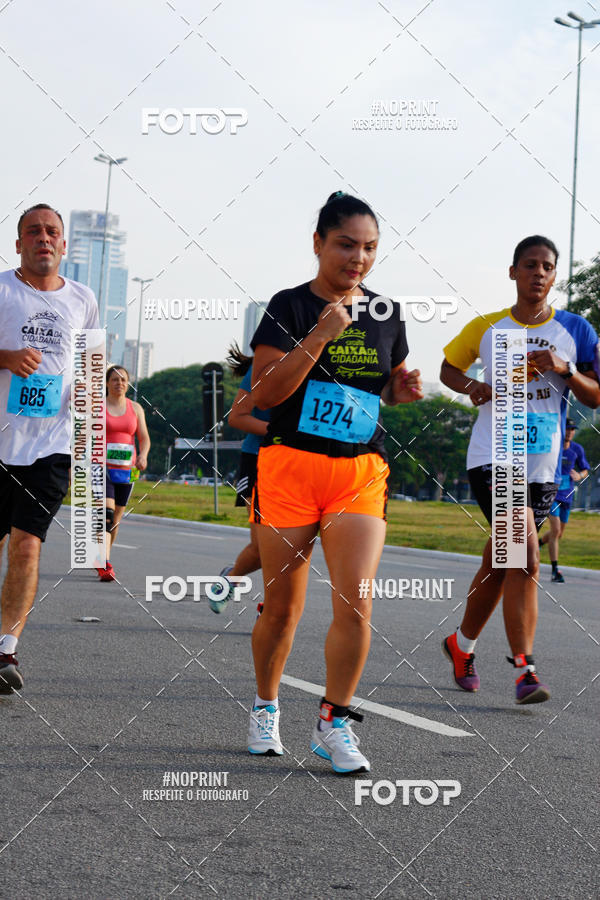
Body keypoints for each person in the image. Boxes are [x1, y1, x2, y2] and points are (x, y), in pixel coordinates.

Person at [245, 192, 422, 773]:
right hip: (291, 465)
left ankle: (334, 722)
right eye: (346, 244)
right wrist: (319, 336)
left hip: (359, 473)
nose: (358, 258)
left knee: (357, 603)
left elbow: (382, 388)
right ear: (318, 242)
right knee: (283, 608)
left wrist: (403, 389)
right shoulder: (289, 306)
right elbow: (265, 395)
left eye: (370, 247)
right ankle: (266, 707)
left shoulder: (387, 314)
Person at [440, 236, 600, 704]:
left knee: (500, 560)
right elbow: (449, 368)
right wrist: (474, 386)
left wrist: (564, 369)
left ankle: (461, 645)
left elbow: (595, 393)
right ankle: (525, 669)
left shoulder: (575, 329)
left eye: (546, 267)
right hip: (494, 456)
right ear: (513, 272)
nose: (538, 273)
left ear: (554, 276)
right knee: (527, 556)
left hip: (542, 467)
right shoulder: (489, 327)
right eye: (529, 265)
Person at [0, 203, 99, 691]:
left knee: (26, 544)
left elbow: (92, 366)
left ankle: (5, 650)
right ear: (18, 244)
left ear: (64, 245)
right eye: (33, 232)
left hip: (54, 443)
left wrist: (87, 406)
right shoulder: (0, 290)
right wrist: (6, 357)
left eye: (52, 232)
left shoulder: (83, 298)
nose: (43, 238)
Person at [209, 343, 270, 615]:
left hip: (302, 465)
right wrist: (282, 431)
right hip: (258, 459)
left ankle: (272, 608)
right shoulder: (264, 365)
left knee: (291, 546)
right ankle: (230, 578)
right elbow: (237, 417)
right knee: (263, 547)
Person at [97, 365, 150, 581]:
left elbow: (144, 438)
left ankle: (104, 555)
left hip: (127, 470)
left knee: (116, 518)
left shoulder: (136, 408)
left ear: (128, 384)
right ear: (107, 383)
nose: (119, 383)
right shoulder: (98, 406)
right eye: (115, 380)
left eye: (123, 380)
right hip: (102, 467)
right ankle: (104, 563)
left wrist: (143, 456)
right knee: (107, 515)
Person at [539, 418, 589, 583]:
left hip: (567, 496)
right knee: (554, 529)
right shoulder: (554, 447)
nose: (570, 432)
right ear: (562, 430)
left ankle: (538, 543)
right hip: (550, 494)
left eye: (572, 429)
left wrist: (579, 475)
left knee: (559, 533)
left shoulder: (577, 449)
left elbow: (585, 470)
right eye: (567, 428)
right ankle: (555, 571)